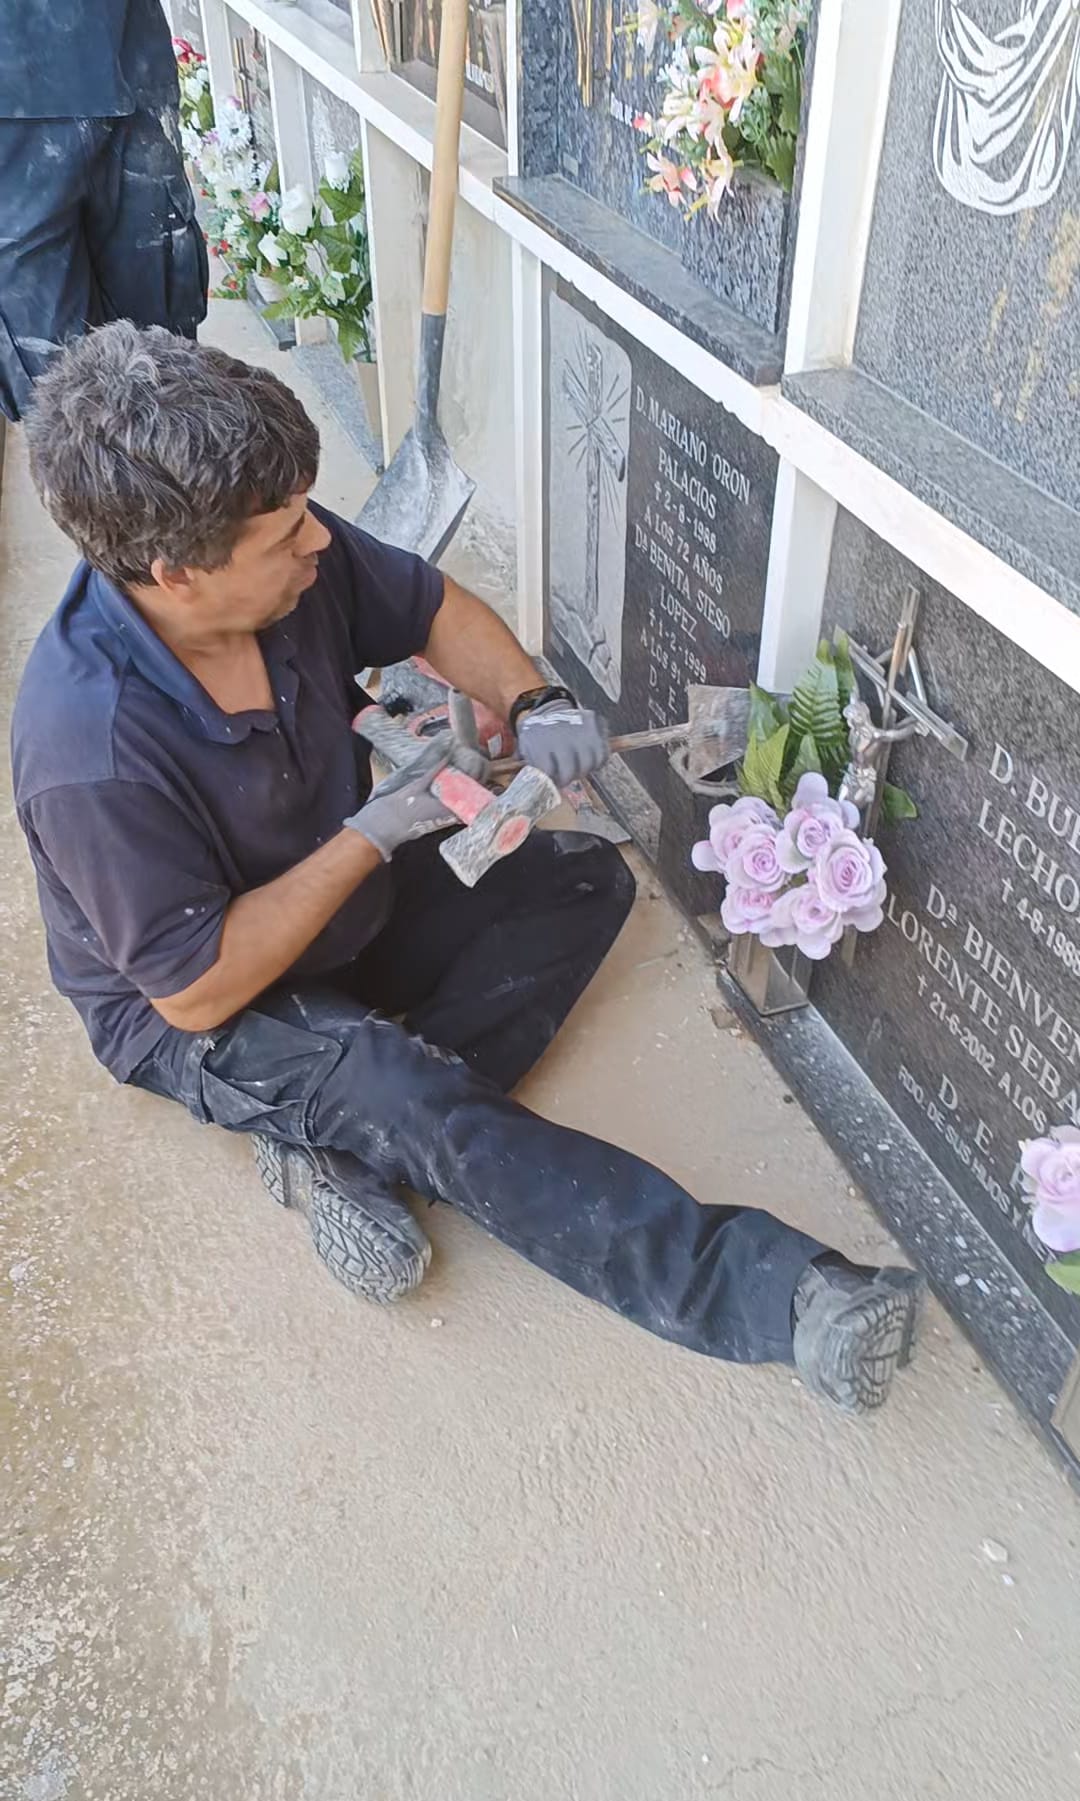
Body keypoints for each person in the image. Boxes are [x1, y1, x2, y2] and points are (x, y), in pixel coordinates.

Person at [12, 322, 923, 1416]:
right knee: (411, 1093)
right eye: (285, 535)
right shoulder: (88, 745)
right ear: (177, 574)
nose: (316, 544)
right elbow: (192, 984)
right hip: (209, 1011)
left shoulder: (281, 554)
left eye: (308, 515)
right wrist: (371, 834)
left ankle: (345, 1142)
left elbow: (432, 607)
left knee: (584, 884)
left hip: (340, 898)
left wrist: (534, 701)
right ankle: (780, 1298)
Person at [0, 1, 207, 422]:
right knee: (60, 395)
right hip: (15, 101)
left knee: (163, 365)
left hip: (128, 63)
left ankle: (172, 483)